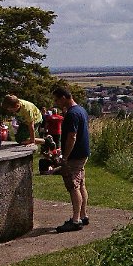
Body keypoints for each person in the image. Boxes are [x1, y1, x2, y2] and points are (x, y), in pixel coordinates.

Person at [52, 87, 90, 232]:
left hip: (74, 155)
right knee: (81, 184)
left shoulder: (72, 114)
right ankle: (83, 215)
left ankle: (75, 220)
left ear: (63, 98)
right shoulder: (81, 110)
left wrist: (65, 156)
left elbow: (72, 136)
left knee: (73, 187)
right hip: (83, 153)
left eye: (57, 100)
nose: (56, 103)